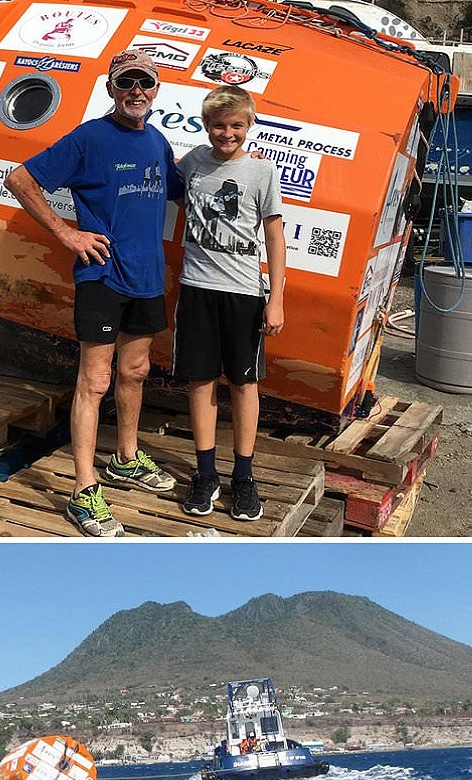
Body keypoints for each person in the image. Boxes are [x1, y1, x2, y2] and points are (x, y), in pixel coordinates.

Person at [5, 49, 183, 538]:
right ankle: (85, 489)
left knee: (136, 370)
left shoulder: (157, 142)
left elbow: (180, 190)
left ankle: (125, 458)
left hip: (146, 277)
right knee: (95, 381)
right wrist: (66, 233)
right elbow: (19, 178)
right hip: (101, 276)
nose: (136, 92)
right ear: (111, 88)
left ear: (156, 90)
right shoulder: (89, 137)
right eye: (127, 83)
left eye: (145, 83)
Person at [174, 85, 286, 523]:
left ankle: (243, 476)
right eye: (219, 125)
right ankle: (205, 474)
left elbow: (275, 238)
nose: (227, 133)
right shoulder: (193, 164)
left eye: (236, 125)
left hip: (243, 293)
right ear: (206, 127)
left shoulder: (262, 173)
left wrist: (276, 299)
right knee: (200, 382)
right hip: (196, 288)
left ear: (249, 125)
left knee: (243, 385)